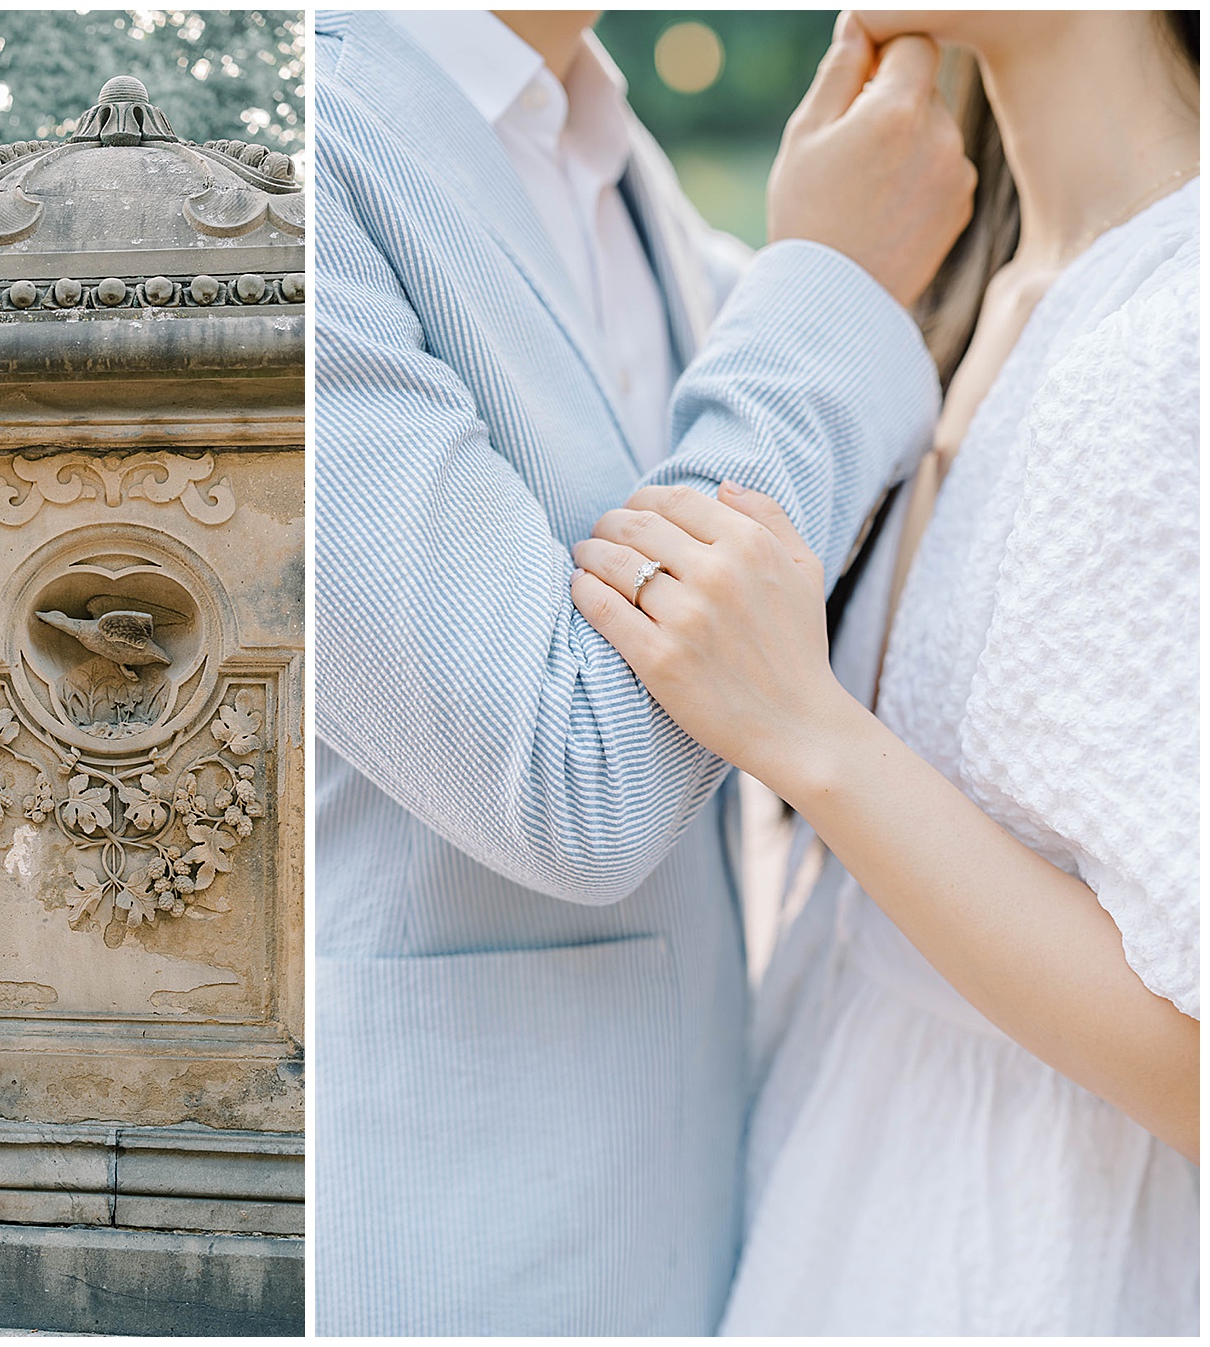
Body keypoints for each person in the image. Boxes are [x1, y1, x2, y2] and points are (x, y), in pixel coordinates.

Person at [314, 8, 973, 1335]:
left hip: (733, 1231)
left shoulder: (613, 151)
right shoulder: (307, 148)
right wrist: (830, 281)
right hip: (444, 1263)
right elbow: (577, 779)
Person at [571, 10, 1199, 1334]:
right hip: (841, 1196)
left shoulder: (1182, 322)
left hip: (1037, 1254)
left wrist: (812, 733)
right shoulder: (973, 290)